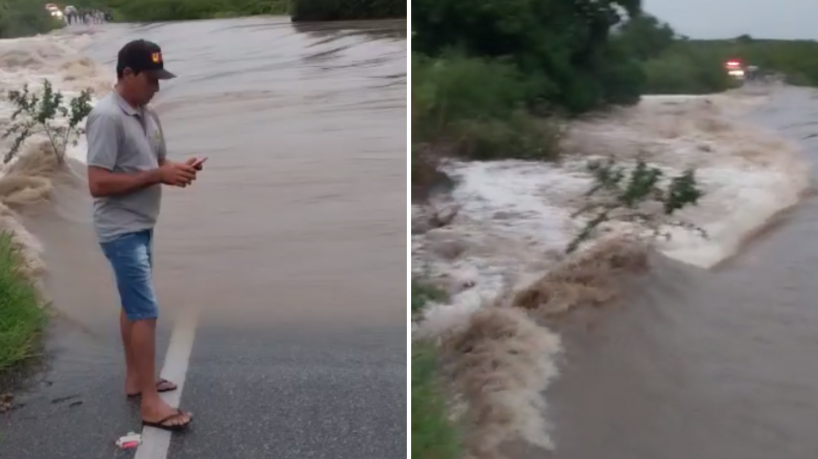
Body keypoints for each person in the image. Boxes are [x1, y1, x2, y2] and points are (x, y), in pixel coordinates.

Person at [86, 39, 205, 432]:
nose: (157, 87)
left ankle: (137, 380)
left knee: (132, 306)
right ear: (126, 74)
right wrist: (158, 175)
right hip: (119, 230)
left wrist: (177, 170)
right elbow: (98, 183)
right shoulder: (106, 117)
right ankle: (151, 405)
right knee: (145, 310)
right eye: (150, 79)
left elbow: (155, 163)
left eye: (160, 79)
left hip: (142, 223)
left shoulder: (147, 115)